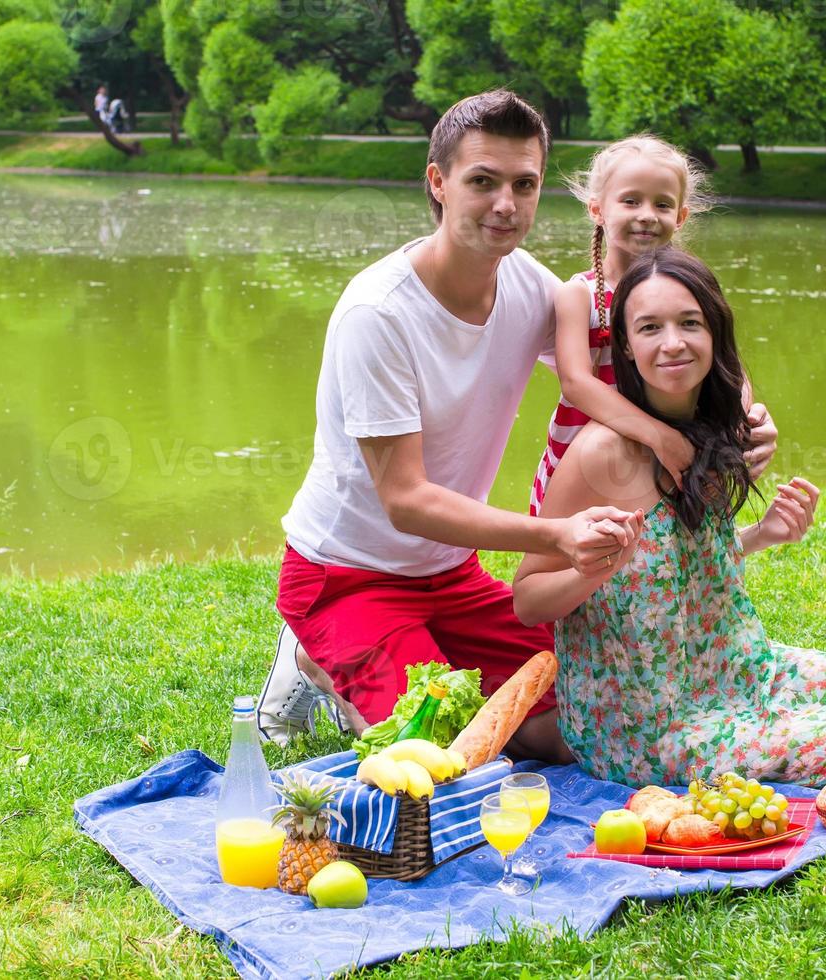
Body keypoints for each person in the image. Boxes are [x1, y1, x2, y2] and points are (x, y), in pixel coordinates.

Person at [259, 91, 780, 757]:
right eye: (483, 182)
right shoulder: (379, 314)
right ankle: (314, 658)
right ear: (439, 183)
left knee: (594, 711)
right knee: (438, 753)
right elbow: (406, 502)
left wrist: (736, 425)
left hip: (452, 575)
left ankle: (411, 660)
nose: (506, 205)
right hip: (348, 575)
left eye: (524, 184)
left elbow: (642, 368)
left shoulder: (531, 289)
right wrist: (559, 533)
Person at [513, 247, 826, 786]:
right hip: (648, 726)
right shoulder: (600, 453)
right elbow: (527, 599)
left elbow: (681, 567)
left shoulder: (715, 431)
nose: (672, 343)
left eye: (689, 323)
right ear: (627, 346)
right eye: (649, 327)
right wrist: (595, 568)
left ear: (715, 333)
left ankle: (781, 732)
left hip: (740, 673)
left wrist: (763, 535)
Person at [530, 134, 773, 517]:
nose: (646, 214)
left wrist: (744, 418)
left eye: (662, 204)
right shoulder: (579, 294)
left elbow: (726, 362)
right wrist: (658, 436)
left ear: (680, 217)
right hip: (590, 455)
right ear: (597, 209)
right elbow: (576, 383)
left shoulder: (687, 290)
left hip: (674, 445)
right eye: (630, 201)